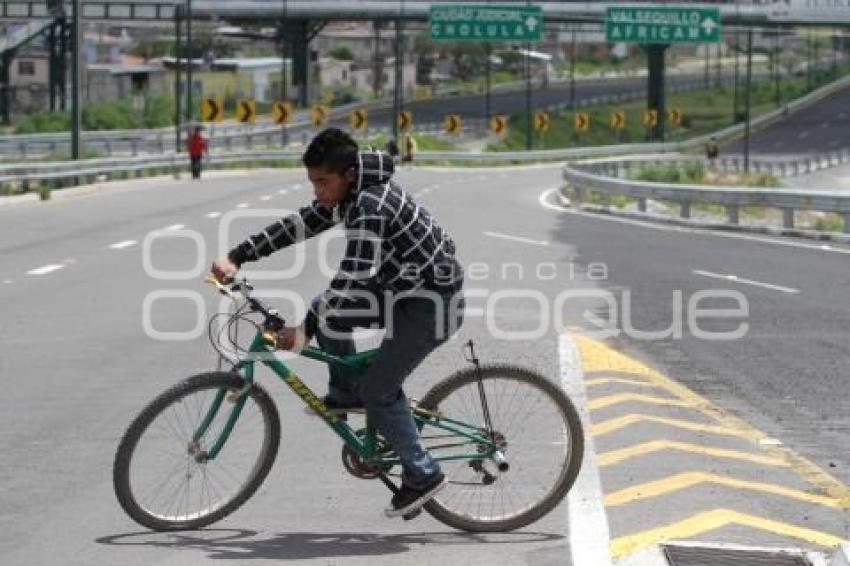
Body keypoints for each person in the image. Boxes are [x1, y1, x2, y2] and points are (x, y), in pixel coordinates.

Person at [211, 127, 465, 518]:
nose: (317, 191)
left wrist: (303, 330)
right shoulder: (347, 191)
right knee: (326, 312)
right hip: (403, 289)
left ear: (347, 174)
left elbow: (353, 276)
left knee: (380, 388)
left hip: (432, 304)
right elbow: (297, 225)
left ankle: (423, 474)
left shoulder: (370, 203)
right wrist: (238, 255)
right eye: (312, 181)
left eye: (322, 182)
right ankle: (346, 393)